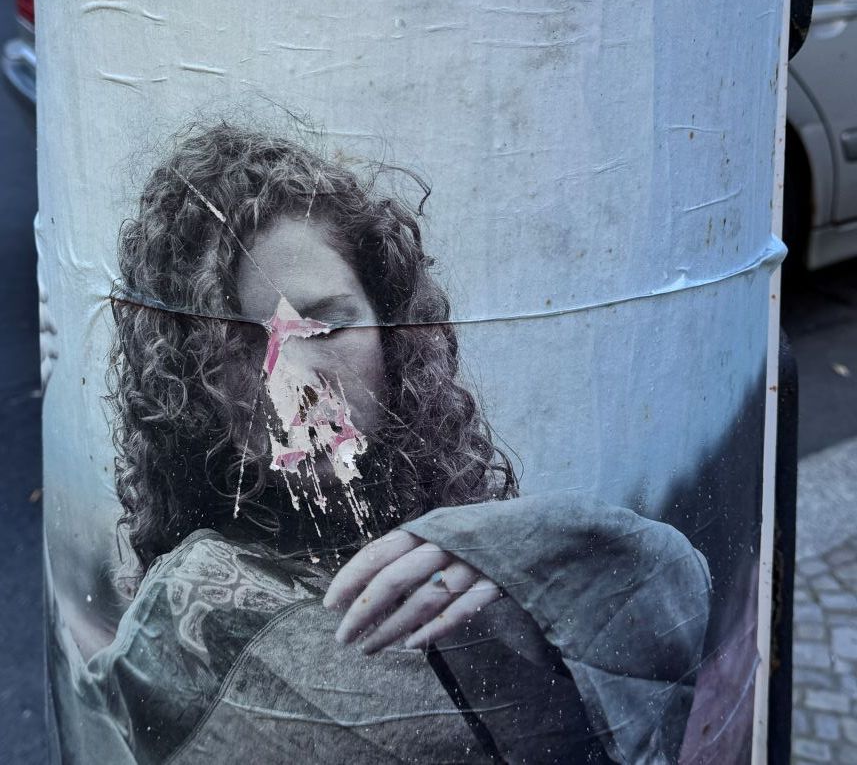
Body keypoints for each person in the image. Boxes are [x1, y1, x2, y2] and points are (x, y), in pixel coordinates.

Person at [50, 122, 712, 764]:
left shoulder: (486, 549)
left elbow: (675, 631)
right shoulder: (192, 611)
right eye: (241, 347)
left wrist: (536, 558)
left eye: (326, 326)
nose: (294, 382)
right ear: (191, 389)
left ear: (391, 331)